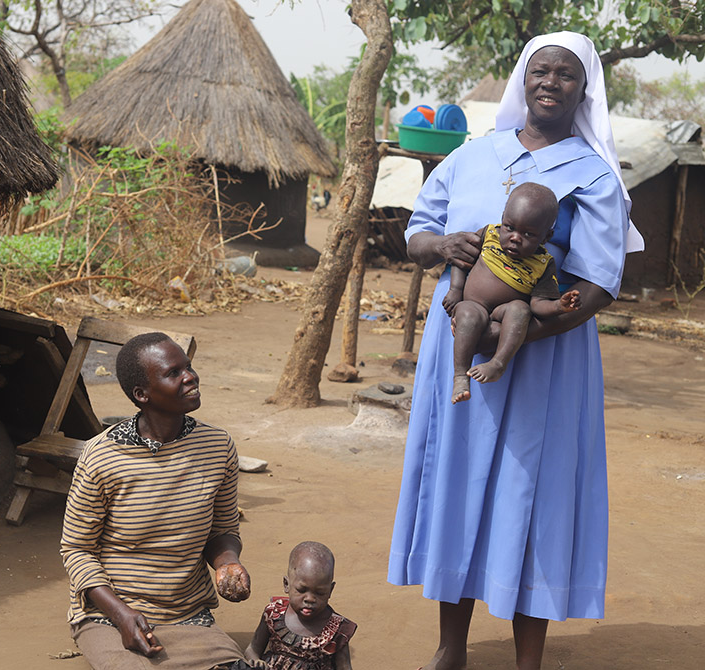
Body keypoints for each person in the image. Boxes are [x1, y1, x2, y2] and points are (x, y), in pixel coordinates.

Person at [387, 31, 643, 670]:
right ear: (523, 81)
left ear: (584, 91)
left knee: (535, 495)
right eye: (540, 71)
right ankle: (452, 648)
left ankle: (529, 659)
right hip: (461, 354)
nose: (550, 83)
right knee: (458, 485)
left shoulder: (594, 175)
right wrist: (443, 248)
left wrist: (523, 327)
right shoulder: (474, 156)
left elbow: (598, 282)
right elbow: (418, 232)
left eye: (566, 75)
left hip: (545, 362)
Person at [61, 332, 252, 669]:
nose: (190, 377)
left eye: (188, 367)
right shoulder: (102, 457)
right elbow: (77, 550)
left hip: (187, 614)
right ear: (141, 394)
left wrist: (226, 563)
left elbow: (222, 529)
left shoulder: (217, 447)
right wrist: (122, 614)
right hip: (111, 615)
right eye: (173, 373)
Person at [443, 182, 582, 404]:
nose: (515, 237)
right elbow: (461, 260)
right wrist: (455, 289)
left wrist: (558, 306)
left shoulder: (543, 263)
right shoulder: (488, 235)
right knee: (468, 314)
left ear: (546, 237)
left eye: (528, 234)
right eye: (509, 227)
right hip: (473, 304)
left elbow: (538, 303)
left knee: (521, 309)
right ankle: (460, 375)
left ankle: (498, 363)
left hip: (503, 312)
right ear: (502, 219)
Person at [244, 542, 356, 670]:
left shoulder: (337, 630)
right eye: (301, 590)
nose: (309, 599)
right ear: (287, 584)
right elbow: (252, 650)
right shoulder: (273, 614)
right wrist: (255, 661)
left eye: (319, 593)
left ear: (330, 590)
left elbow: (345, 667)